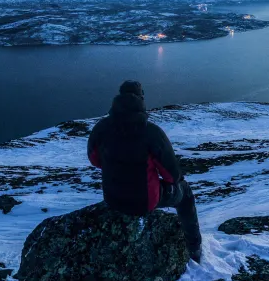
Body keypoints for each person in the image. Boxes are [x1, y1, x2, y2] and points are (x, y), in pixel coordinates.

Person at [86, 80, 203, 262]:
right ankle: (194, 249)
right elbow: (171, 176)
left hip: (112, 198)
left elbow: (94, 160)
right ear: (141, 99)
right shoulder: (151, 132)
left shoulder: (101, 128)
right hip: (145, 201)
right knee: (185, 194)